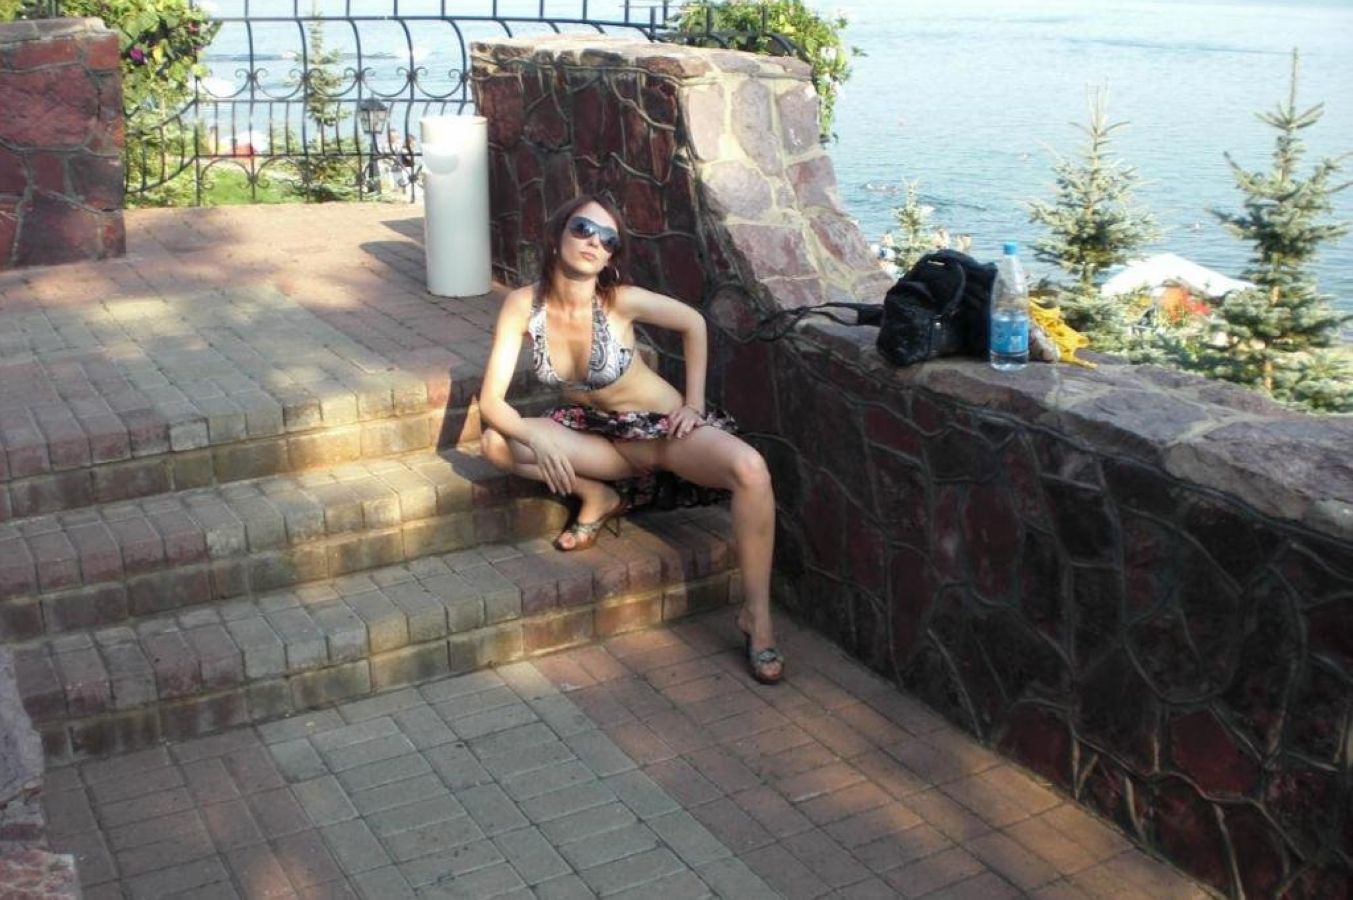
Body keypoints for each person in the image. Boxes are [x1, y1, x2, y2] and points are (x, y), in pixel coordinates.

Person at [478, 195, 784, 684]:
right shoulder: (522, 305)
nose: (594, 243)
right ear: (558, 235)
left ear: (611, 257)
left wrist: (694, 404)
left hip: (661, 434)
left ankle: (757, 616)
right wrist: (537, 436)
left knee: (751, 469)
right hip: (599, 438)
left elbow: (694, 323)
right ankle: (596, 495)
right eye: (583, 229)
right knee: (497, 443)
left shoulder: (619, 301)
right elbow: (491, 402)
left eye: (608, 240)